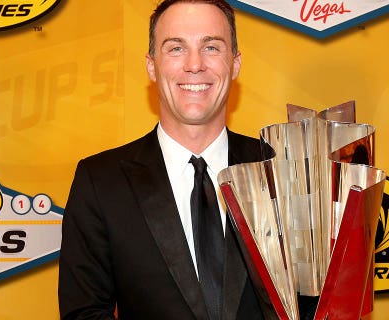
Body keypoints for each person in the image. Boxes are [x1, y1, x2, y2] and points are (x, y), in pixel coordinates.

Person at [58, 1, 273, 319]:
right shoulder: (100, 181)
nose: (195, 64)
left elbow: (314, 301)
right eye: (176, 48)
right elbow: (85, 313)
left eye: (211, 47)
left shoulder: (279, 168)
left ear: (235, 62)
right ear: (151, 65)